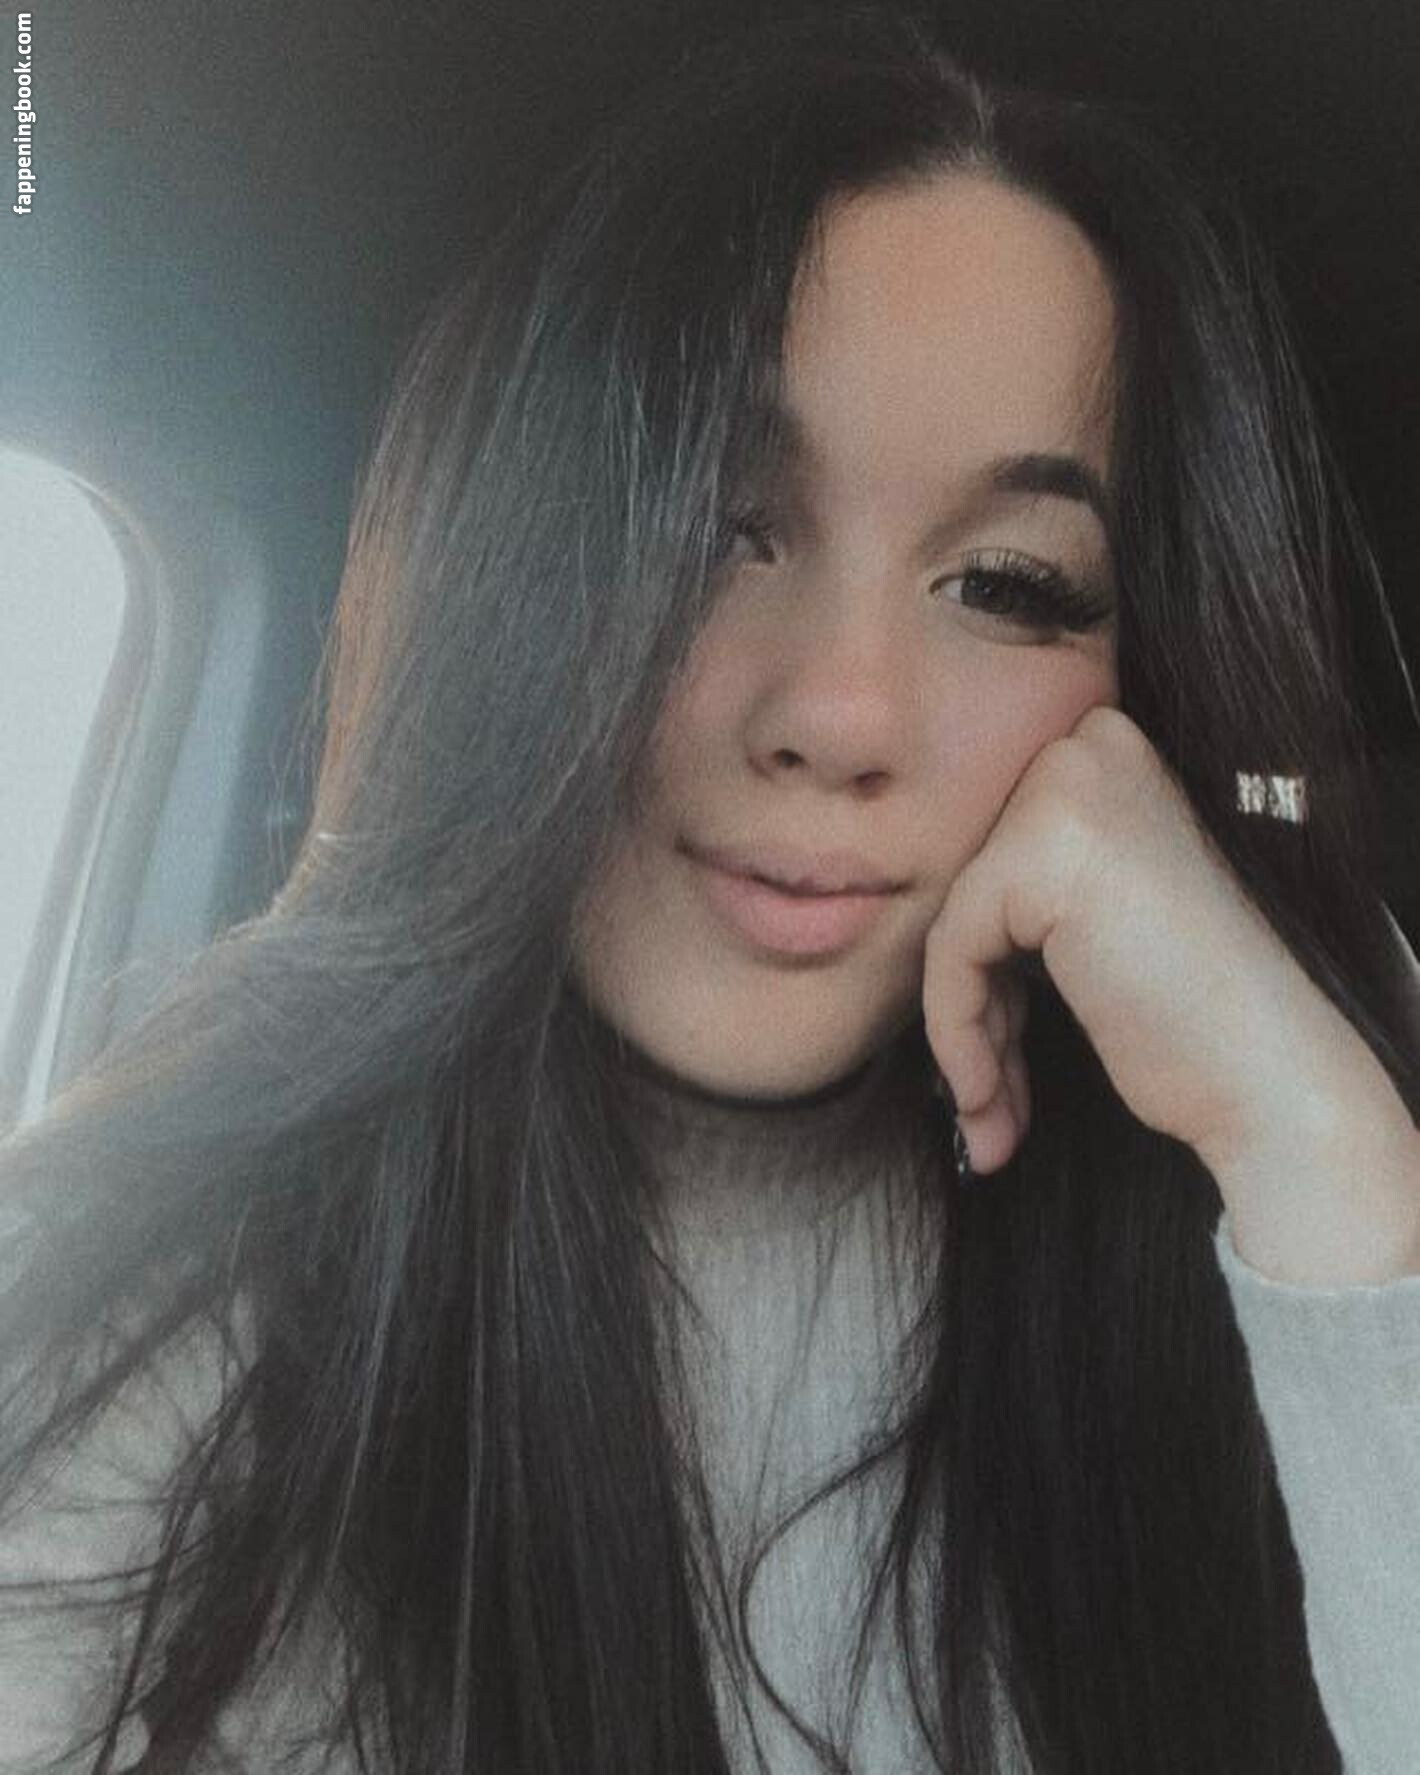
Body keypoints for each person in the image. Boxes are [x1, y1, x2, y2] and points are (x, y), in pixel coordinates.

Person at [2, 7, 1418, 1772]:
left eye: (1004, 584)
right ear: (520, 568)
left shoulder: (1278, 1198)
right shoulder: (145, 1282)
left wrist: (1328, 1166)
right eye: (717, 524)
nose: (838, 714)